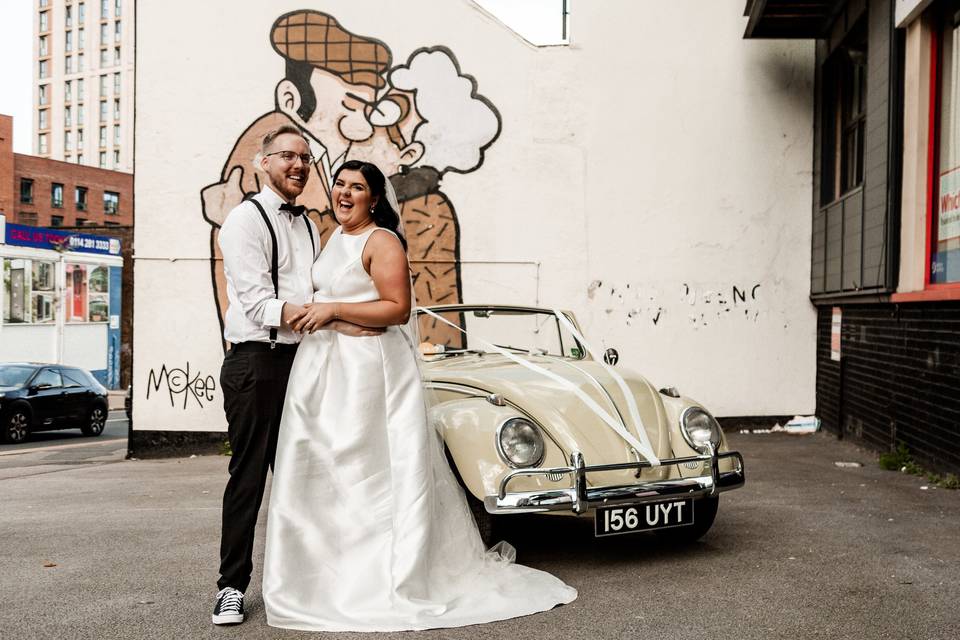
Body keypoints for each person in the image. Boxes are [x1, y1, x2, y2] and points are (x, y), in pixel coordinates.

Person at [261, 161, 577, 632]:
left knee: (368, 471)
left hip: (368, 374)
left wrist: (334, 311)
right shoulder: (333, 237)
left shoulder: (383, 241)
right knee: (326, 473)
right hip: (326, 371)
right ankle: (328, 578)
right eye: (341, 185)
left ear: (374, 199)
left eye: (358, 188)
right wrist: (331, 317)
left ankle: (381, 578)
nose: (345, 193)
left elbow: (397, 308)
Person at [213, 126, 379, 626]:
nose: (299, 165)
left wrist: (339, 316)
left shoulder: (309, 225)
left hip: (306, 362)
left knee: (307, 477)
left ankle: (312, 582)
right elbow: (257, 302)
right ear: (263, 162)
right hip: (257, 361)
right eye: (287, 156)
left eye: (306, 158)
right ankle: (231, 587)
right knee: (249, 475)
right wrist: (326, 314)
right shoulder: (245, 220)